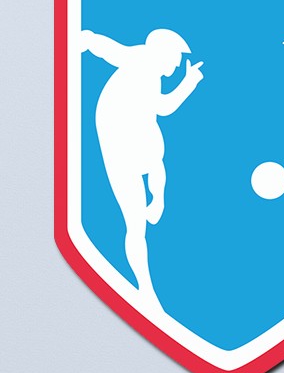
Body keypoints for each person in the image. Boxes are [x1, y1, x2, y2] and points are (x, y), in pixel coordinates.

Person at [77, 29, 202, 305]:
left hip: (137, 134)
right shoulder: (141, 59)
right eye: (176, 57)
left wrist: (89, 40)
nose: (177, 64)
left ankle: (157, 201)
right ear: (162, 51)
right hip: (117, 141)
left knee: (156, 157)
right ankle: (145, 290)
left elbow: (107, 49)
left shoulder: (151, 71)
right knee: (135, 223)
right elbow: (163, 106)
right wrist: (85, 39)